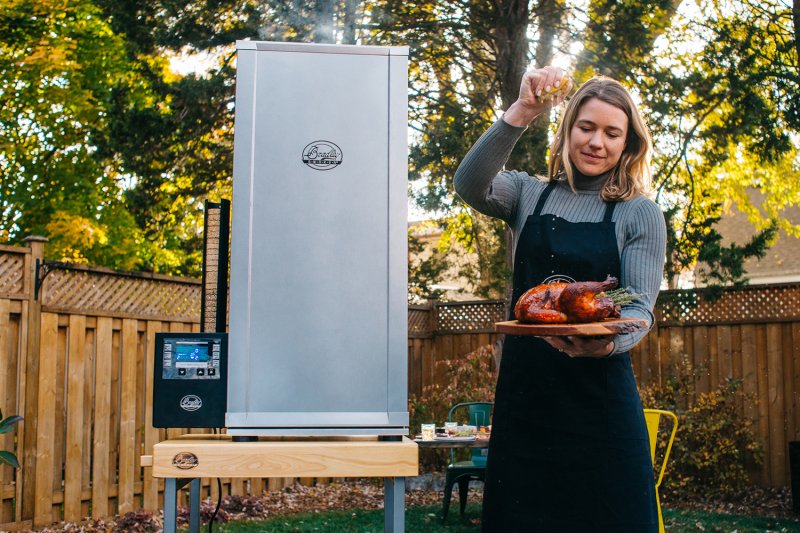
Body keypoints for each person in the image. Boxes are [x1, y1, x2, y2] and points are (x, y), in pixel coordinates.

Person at [454, 66, 667, 532]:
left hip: (600, 407)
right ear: (567, 129)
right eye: (586, 127)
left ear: (628, 144)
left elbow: (637, 309)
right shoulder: (527, 194)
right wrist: (522, 110)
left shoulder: (639, 213)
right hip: (527, 403)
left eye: (612, 133)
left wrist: (606, 344)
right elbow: (469, 184)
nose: (596, 142)